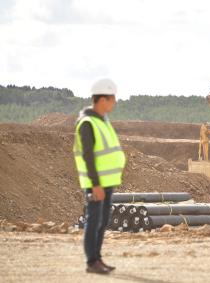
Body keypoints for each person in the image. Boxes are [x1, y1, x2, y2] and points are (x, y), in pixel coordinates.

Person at [73, 78, 126, 274]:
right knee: (93, 220)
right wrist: (95, 185)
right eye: (113, 98)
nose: (115, 102)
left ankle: (98, 258)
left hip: (108, 181)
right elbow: (88, 157)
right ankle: (91, 262)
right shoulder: (87, 123)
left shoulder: (102, 121)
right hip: (96, 183)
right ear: (102, 99)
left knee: (102, 221)